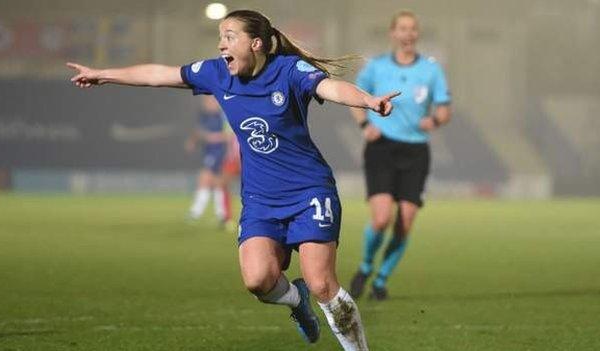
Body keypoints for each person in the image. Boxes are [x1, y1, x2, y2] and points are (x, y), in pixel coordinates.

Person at [67, 9, 400, 350]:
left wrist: (368, 101)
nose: (221, 44)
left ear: (255, 43)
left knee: (322, 284)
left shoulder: (288, 70)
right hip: (259, 199)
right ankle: (296, 302)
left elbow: (331, 87)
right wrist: (104, 74)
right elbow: (158, 74)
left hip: (308, 191)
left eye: (229, 36)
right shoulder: (216, 74)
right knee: (258, 280)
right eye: (220, 37)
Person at [348, 10, 452, 301]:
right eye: (402, 29)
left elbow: (444, 107)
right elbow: (355, 96)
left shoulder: (431, 70)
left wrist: (436, 120)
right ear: (393, 34)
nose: (407, 34)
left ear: (417, 34)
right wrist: (365, 124)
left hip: (415, 150)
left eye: (412, 29)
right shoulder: (377, 67)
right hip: (381, 148)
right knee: (381, 219)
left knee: (405, 222)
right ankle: (366, 267)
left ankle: (381, 281)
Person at [186, 95, 230, 224]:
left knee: (205, 177)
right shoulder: (205, 116)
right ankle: (221, 214)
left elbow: (230, 135)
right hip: (209, 151)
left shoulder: (223, 116)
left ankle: (196, 212)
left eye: (209, 101)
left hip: (219, 151)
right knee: (216, 181)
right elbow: (199, 131)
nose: (206, 103)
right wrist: (193, 141)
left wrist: (213, 137)